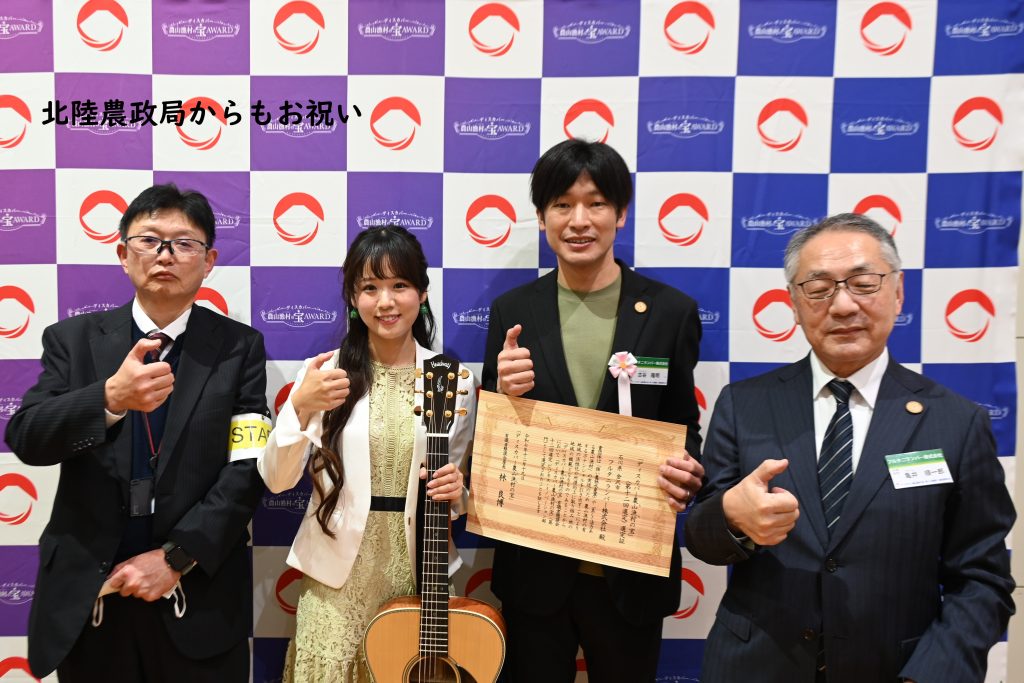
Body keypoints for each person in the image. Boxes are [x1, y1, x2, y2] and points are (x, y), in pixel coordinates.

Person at [684, 213, 1016, 683]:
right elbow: (702, 538)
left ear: (898, 292)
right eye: (818, 288)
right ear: (793, 304)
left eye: (863, 284)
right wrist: (731, 518)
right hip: (755, 667)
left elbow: (983, 579)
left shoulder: (957, 423)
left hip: (896, 669)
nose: (842, 306)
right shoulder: (744, 405)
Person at [5, 184, 270, 681]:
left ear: (209, 261)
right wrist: (109, 398)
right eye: (149, 240)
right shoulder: (72, 341)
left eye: (184, 243)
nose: (165, 255)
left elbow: (248, 466)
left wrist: (176, 558)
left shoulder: (239, 348)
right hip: (94, 596)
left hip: (196, 596)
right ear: (123, 254)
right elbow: (27, 437)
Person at [481, 139, 705, 682]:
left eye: (596, 203)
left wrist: (687, 469)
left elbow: (683, 426)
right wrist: (502, 395)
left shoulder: (670, 312)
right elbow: (491, 444)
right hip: (536, 568)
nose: (579, 220)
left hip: (630, 569)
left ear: (620, 213)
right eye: (562, 204)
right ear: (542, 218)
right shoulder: (514, 310)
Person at [258, 224, 477, 682]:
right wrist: (300, 406)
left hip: (419, 573)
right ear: (353, 298)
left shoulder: (451, 379)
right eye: (370, 287)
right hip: (336, 577)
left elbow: (455, 494)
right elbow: (277, 479)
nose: (386, 302)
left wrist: (457, 491)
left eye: (400, 285)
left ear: (422, 293)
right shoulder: (325, 373)